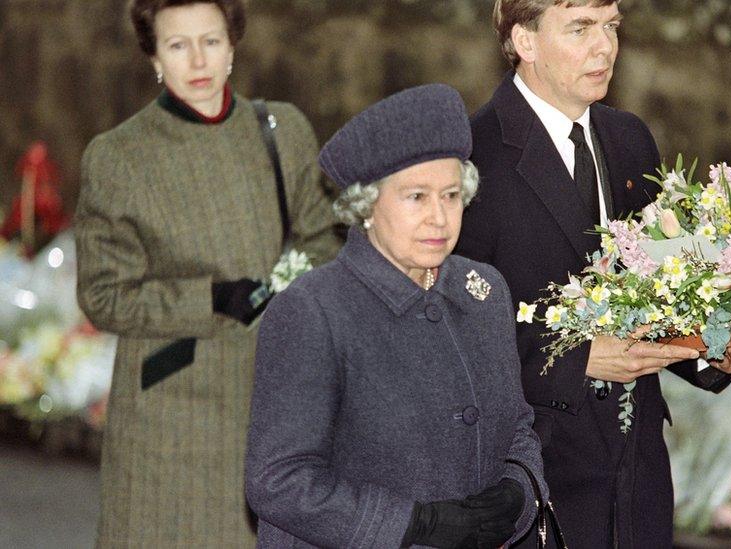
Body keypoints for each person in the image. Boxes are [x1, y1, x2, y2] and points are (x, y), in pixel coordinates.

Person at [455, 1, 731, 547]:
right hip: (535, 477)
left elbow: (656, 294)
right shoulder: (471, 157)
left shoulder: (630, 139)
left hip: (638, 479)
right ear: (525, 41)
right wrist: (576, 358)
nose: (605, 47)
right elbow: (448, 330)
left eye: (611, 26)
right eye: (580, 28)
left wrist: (714, 348)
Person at [74, 0, 340, 545]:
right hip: (171, 415)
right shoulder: (119, 157)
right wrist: (211, 298)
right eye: (177, 45)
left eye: (211, 41)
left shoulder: (281, 130)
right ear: (152, 56)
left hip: (278, 390)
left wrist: (289, 288)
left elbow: (327, 242)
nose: (198, 60)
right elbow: (103, 296)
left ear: (233, 46)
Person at [245, 84, 545, 549]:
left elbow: (518, 428)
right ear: (366, 206)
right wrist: (412, 524)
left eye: (450, 196)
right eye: (416, 197)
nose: (439, 219)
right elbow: (279, 481)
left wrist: (517, 492)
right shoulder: (315, 310)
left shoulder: (483, 293)